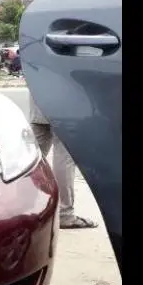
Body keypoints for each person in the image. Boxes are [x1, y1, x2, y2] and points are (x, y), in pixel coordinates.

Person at [29, 95, 98, 229]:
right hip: (64, 107)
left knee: (32, 158)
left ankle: (24, 208)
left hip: (38, 100)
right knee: (65, 158)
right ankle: (64, 213)